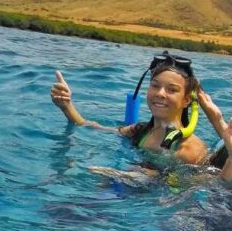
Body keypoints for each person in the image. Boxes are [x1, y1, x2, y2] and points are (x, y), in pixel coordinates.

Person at [49, 53, 208, 164]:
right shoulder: (140, 131)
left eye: (171, 90)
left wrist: (135, 177)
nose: (160, 93)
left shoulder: (189, 149)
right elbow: (92, 127)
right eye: (155, 86)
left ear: (187, 100)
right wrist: (66, 106)